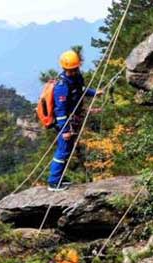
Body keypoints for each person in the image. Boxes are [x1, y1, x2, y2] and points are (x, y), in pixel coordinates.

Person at [48, 50, 102, 192]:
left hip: (73, 119)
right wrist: (64, 130)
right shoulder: (61, 86)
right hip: (66, 122)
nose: (72, 72)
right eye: (69, 70)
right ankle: (53, 182)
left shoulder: (76, 78)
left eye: (74, 69)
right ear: (64, 68)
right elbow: (60, 111)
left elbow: (81, 90)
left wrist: (94, 93)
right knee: (63, 151)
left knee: (67, 150)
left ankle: (58, 178)